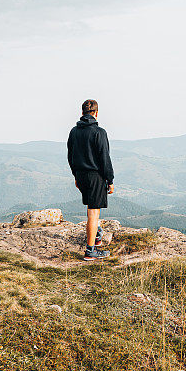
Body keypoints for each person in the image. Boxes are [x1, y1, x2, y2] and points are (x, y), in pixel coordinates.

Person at [67, 99, 114, 260]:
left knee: (91, 209)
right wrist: (110, 179)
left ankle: (97, 235)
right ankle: (90, 250)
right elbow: (104, 158)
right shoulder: (99, 132)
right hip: (95, 176)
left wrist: (75, 175)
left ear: (82, 113)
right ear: (96, 113)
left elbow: (70, 156)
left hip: (80, 174)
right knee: (93, 213)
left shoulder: (74, 132)